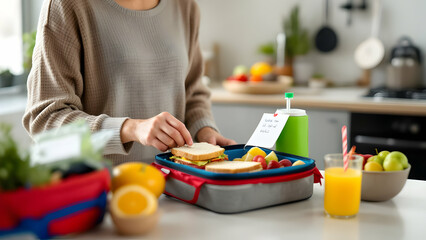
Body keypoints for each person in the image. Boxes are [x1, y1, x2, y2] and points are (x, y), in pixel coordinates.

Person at [23, 0, 236, 165]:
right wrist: (130, 129)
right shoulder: (67, 5)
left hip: (173, 191)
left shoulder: (184, 6)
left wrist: (204, 130)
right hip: (96, 195)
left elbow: (192, 91)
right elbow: (45, 120)